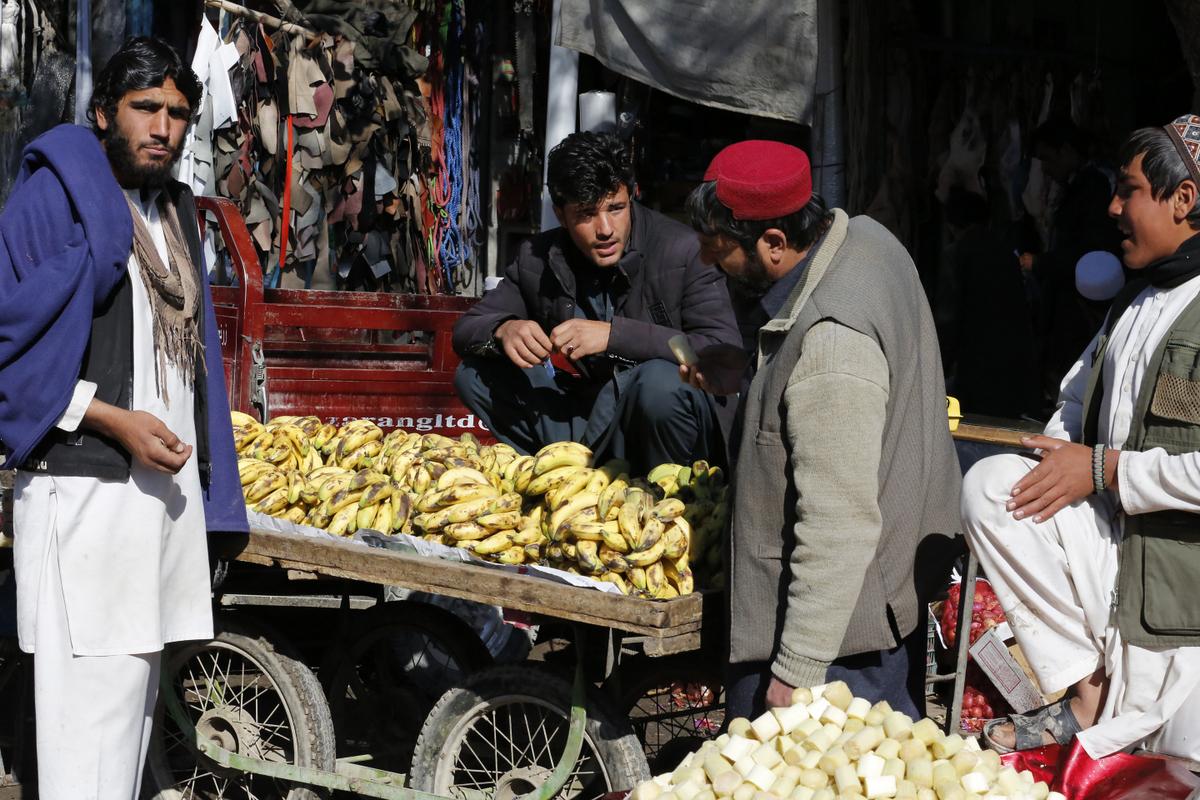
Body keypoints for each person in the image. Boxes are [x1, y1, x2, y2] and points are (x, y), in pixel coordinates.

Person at [0, 38, 247, 797]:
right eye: (145, 108)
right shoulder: (55, 197)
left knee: (130, 722)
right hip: (86, 496)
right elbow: (10, 349)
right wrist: (113, 419)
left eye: (177, 113)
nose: (163, 128)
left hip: (158, 505)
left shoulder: (174, 209)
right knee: (85, 736)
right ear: (105, 112)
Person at [681, 140, 961, 719]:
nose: (706, 260)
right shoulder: (867, 239)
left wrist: (797, 669)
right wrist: (756, 372)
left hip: (837, 648)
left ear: (774, 243)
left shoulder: (832, 345)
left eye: (718, 246)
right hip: (874, 608)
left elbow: (838, 521)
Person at [961, 117, 1200, 759]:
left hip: (1183, 586)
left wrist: (1106, 469)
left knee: (1172, 772)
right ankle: (1083, 688)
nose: (1113, 208)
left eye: (1129, 190)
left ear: (1183, 199)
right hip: (1115, 556)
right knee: (994, 486)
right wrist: (1061, 460)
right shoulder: (1135, 302)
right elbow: (1073, 404)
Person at [452, 132, 739, 474]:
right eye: (587, 214)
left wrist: (614, 335)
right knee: (475, 374)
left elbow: (722, 349)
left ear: (633, 195)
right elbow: (467, 328)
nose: (605, 229)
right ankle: (561, 473)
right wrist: (505, 328)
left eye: (616, 209)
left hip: (663, 425)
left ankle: (668, 490)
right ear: (561, 215)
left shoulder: (684, 250)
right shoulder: (536, 257)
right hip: (591, 416)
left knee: (659, 384)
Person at [1020, 118, 1123, 407]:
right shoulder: (1077, 186)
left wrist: (1041, 263)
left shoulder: (1093, 187)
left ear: (1066, 150)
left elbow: (1090, 249)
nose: (1046, 169)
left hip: (1080, 306)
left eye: (1048, 159)